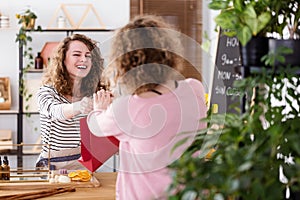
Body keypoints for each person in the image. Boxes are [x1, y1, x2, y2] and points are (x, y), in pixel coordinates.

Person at [87, 15, 207, 199]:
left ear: (125, 63)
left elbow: (95, 126)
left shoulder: (127, 108)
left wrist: (99, 108)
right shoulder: (194, 89)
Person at [36, 34, 104, 170]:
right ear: (63, 59)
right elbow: (57, 112)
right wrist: (79, 106)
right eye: (77, 54)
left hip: (83, 165)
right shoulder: (47, 92)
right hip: (52, 166)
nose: (84, 59)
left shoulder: (92, 93)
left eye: (88, 56)